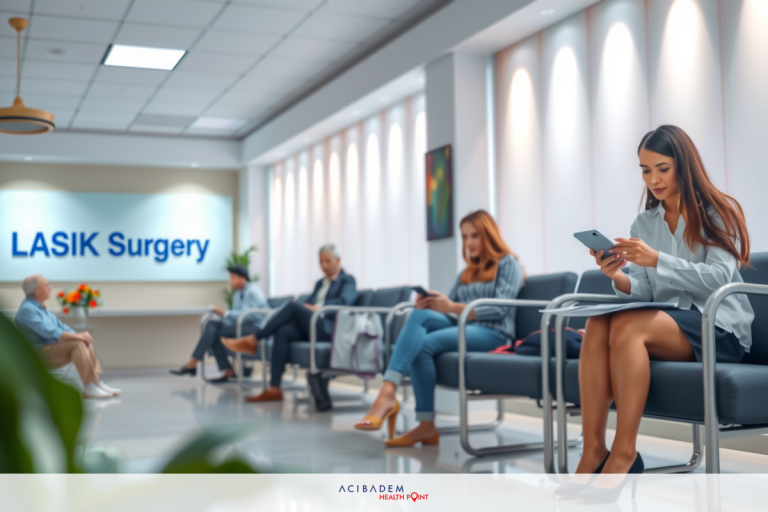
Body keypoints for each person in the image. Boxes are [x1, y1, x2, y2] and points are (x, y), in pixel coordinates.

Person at [557, 125, 754, 501]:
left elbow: (718, 279)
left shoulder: (719, 212)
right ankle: (593, 450)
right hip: (666, 323)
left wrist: (656, 258)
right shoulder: (643, 224)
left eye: (661, 168)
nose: (653, 179)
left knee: (628, 326)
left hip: (718, 327)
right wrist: (617, 276)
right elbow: (647, 290)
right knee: (598, 323)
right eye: (645, 171)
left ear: (684, 165)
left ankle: (624, 452)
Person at [354, 210, 525, 446]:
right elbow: (450, 308)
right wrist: (431, 304)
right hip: (465, 326)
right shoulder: (467, 272)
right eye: (465, 237)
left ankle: (421, 421)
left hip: (494, 333)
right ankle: (389, 392)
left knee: (423, 345)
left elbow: (499, 310)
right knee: (419, 314)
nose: (469, 242)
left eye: (474, 235)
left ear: (489, 235)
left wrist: (451, 306)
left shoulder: (508, 264)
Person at [223, 244, 357, 402]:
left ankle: (254, 339)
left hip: (329, 329)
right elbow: (307, 302)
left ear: (338, 260)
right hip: (313, 327)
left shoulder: (347, 280)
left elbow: (345, 302)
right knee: (283, 331)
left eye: (327, 261)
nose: (324, 266)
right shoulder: (320, 283)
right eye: (321, 261)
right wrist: (302, 307)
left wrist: (315, 307)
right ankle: (274, 388)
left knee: (292, 307)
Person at [14, 275, 120, 399]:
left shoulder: (41, 308)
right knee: (78, 342)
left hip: (50, 349)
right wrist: (78, 336)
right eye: (46, 285)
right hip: (37, 354)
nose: (50, 288)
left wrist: (80, 335)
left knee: (84, 341)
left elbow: (61, 326)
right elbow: (48, 332)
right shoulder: (28, 309)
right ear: (37, 291)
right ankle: (89, 387)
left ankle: (95, 383)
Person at [171, 264, 268, 383]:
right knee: (212, 326)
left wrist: (224, 313)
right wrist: (224, 318)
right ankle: (223, 370)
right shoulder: (238, 293)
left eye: (232, 278)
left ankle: (194, 363)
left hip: (256, 328)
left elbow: (250, 316)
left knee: (213, 330)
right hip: (243, 325)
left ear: (242, 279)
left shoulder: (253, 292)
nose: (230, 281)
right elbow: (237, 316)